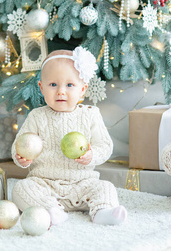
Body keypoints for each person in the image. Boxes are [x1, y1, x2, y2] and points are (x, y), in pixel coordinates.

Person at [11, 46, 127, 226]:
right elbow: (21, 143)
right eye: (53, 85)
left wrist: (91, 156)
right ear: (41, 87)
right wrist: (22, 157)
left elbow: (104, 145)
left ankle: (102, 212)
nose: (61, 91)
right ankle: (51, 210)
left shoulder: (90, 115)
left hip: (83, 184)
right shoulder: (37, 116)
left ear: (83, 89)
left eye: (70, 85)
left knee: (106, 187)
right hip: (44, 183)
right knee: (21, 189)